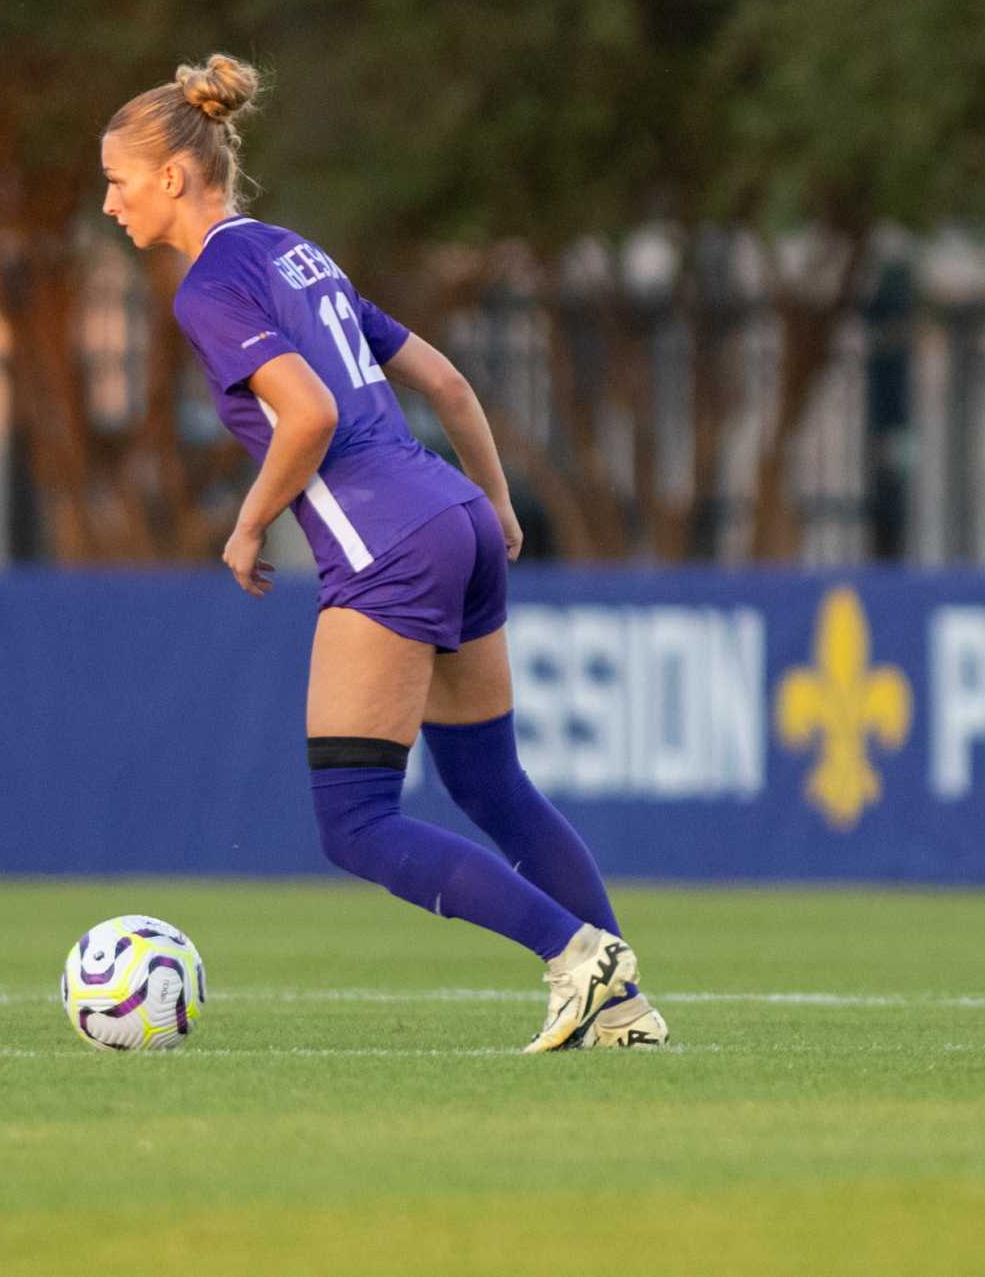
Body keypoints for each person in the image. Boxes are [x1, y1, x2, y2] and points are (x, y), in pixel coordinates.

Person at [101, 57, 666, 1051]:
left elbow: (308, 415)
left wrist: (245, 522)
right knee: (491, 785)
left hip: (388, 545)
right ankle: (618, 1001)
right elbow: (444, 382)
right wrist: (491, 501)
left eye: (118, 181)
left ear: (174, 178)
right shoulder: (296, 256)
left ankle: (577, 958)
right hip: (454, 515)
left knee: (354, 821)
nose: (110, 204)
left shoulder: (207, 289)